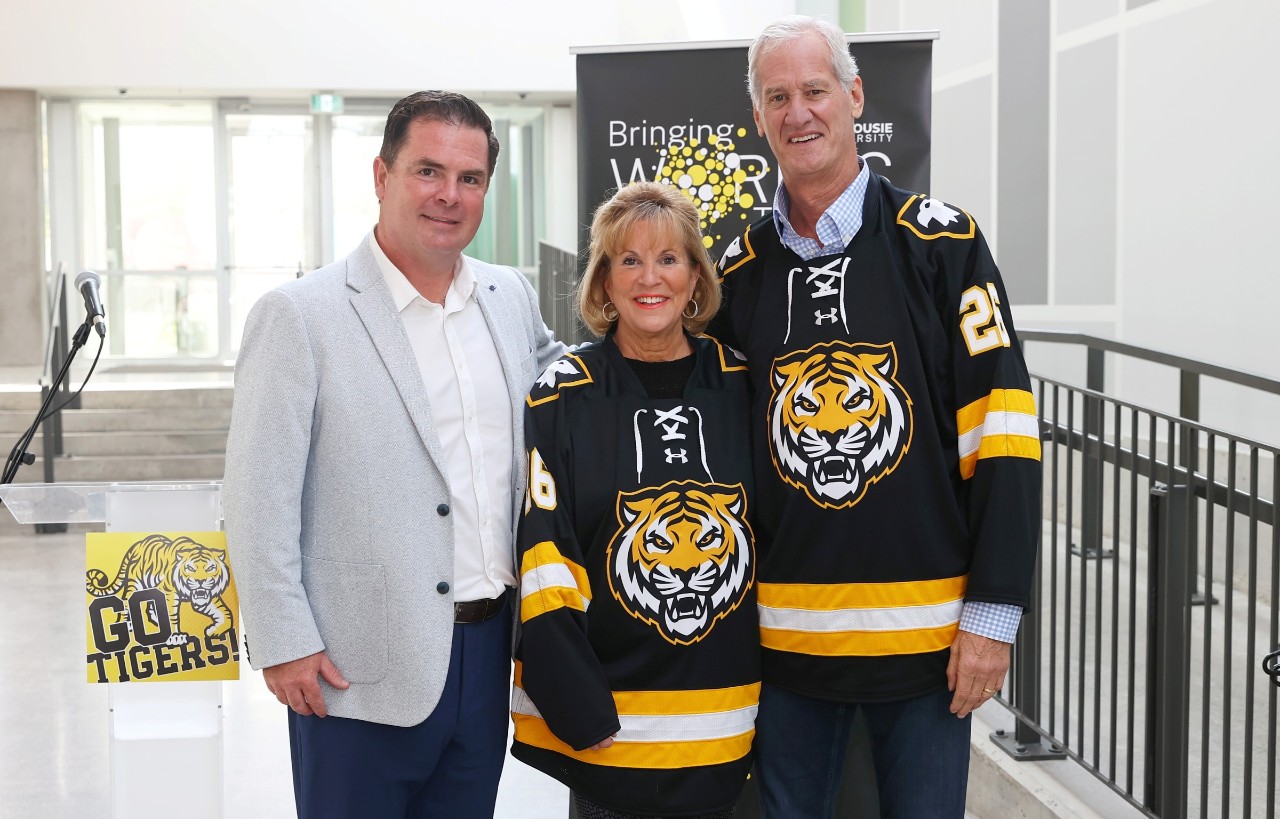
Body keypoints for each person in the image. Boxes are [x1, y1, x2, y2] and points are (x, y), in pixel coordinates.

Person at [706, 16, 1043, 818]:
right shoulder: (740, 272)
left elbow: (1003, 435)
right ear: (758, 117)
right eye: (777, 96)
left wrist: (992, 618)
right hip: (784, 653)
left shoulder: (943, 245)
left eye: (815, 90)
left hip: (928, 653)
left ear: (855, 96)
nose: (798, 113)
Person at [222, 90, 564, 818]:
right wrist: (283, 641)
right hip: (353, 666)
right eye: (427, 171)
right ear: (382, 176)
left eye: (470, 178)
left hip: (487, 654)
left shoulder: (509, 298)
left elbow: (579, 391)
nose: (449, 195)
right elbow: (256, 495)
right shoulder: (300, 315)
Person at [510, 181, 759, 818]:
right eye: (629, 260)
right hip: (610, 729)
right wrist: (574, 701)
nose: (651, 278)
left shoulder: (746, 385)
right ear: (603, 282)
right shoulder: (561, 395)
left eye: (669, 259)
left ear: (697, 279)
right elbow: (545, 555)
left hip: (732, 727)